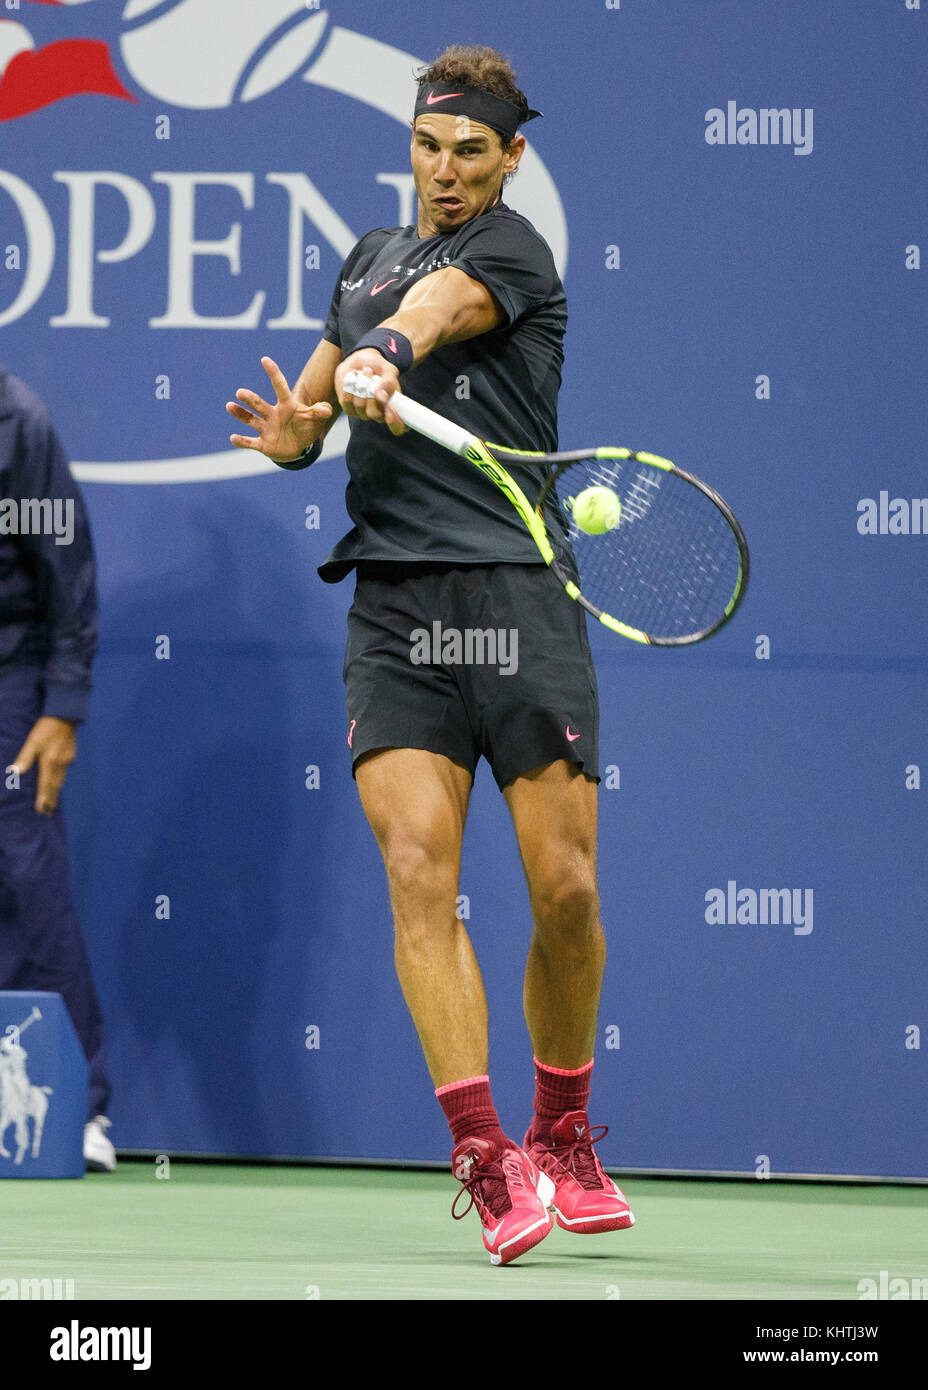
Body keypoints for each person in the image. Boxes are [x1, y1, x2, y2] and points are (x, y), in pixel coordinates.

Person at [227, 44, 633, 1264]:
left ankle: (561, 1129)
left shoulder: (510, 252)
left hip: (517, 595)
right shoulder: (361, 260)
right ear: (408, 143)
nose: (445, 172)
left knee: (563, 890)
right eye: (427, 145)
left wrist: (386, 356)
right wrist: (300, 429)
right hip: (396, 609)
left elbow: (430, 317)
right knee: (419, 873)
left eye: (471, 152)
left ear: (510, 158)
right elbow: (317, 408)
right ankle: (482, 1152)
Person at [0, 364, 115, 1172]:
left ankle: (76, 1108)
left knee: (25, 876)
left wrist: (61, 706)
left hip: (10, 679)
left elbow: (66, 572)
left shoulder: (17, 422)